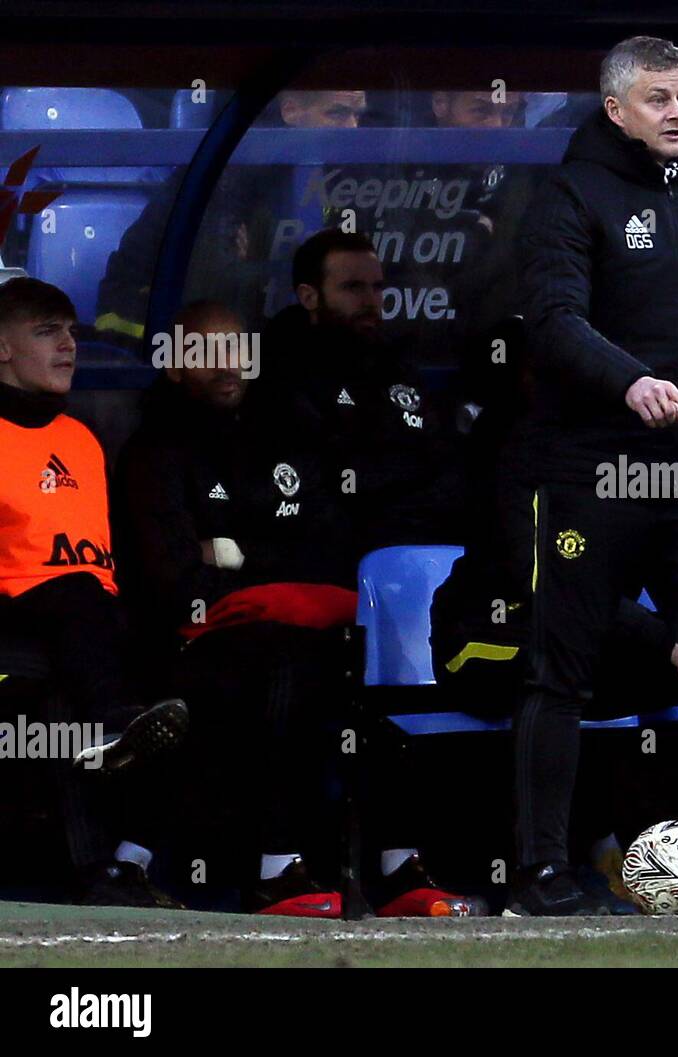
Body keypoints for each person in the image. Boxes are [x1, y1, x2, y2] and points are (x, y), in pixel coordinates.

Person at [511, 35, 678, 916]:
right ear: (616, 108)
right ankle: (543, 869)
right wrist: (627, 379)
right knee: (564, 671)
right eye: (661, 99)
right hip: (593, 468)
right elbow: (552, 322)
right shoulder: (568, 193)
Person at [113, 299, 484, 917]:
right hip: (191, 642)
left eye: (237, 350)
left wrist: (231, 549)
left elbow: (328, 546)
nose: (227, 366)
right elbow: (171, 576)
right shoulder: (154, 450)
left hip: (294, 634)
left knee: (361, 685)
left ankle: (397, 869)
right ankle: (275, 870)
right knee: (282, 675)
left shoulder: (284, 436)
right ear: (174, 365)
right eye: (206, 352)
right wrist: (261, 562)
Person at [0, 276, 189, 907]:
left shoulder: (82, 438)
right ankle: (112, 733)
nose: (68, 346)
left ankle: (129, 862)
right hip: (15, 618)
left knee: (194, 669)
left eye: (74, 332)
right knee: (74, 634)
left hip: (91, 620)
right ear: (1, 347)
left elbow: (119, 560)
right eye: (47, 331)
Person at [94, 89, 369, 346]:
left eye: (358, 115)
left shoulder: (348, 176)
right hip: (148, 324)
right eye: (337, 113)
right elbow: (215, 285)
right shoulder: (236, 171)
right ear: (291, 111)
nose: (353, 128)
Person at [261, 228, 465, 552]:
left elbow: (443, 459)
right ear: (309, 296)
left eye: (377, 287)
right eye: (353, 287)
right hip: (341, 564)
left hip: (425, 549)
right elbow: (323, 487)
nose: (371, 301)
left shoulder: (394, 364)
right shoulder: (280, 376)